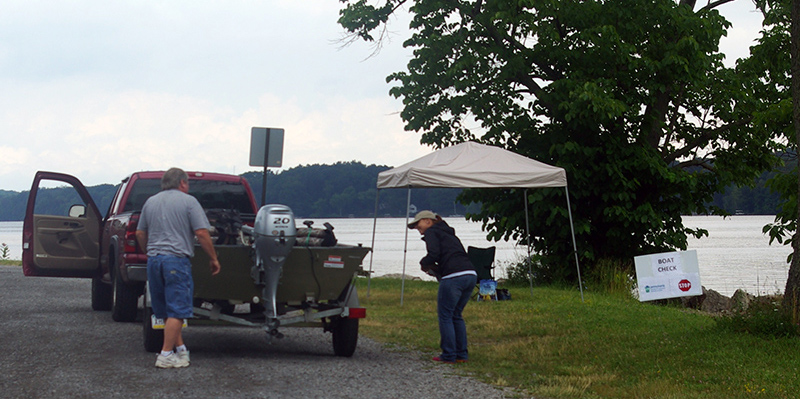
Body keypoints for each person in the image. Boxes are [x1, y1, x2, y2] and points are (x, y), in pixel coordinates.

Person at [135, 168, 221, 369]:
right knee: (178, 309)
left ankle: (181, 351)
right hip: (176, 260)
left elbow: (140, 233)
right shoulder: (189, 202)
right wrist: (213, 258)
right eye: (188, 183)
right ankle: (165, 354)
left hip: (154, 260)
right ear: (182, 183)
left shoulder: (151, 202)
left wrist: (149, 251)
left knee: (165, 309)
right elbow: (201, 232)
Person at [408, 210, 477, 364]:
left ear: (427, 221)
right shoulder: (448, 232)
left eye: (418, 225)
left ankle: (448, 355)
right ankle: (461, 355)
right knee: (456, 315)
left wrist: (424, 264)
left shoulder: (432, 232)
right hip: (470, 274)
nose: (418, 230)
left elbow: (434, 254)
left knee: (445, 316)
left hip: (453, 276)